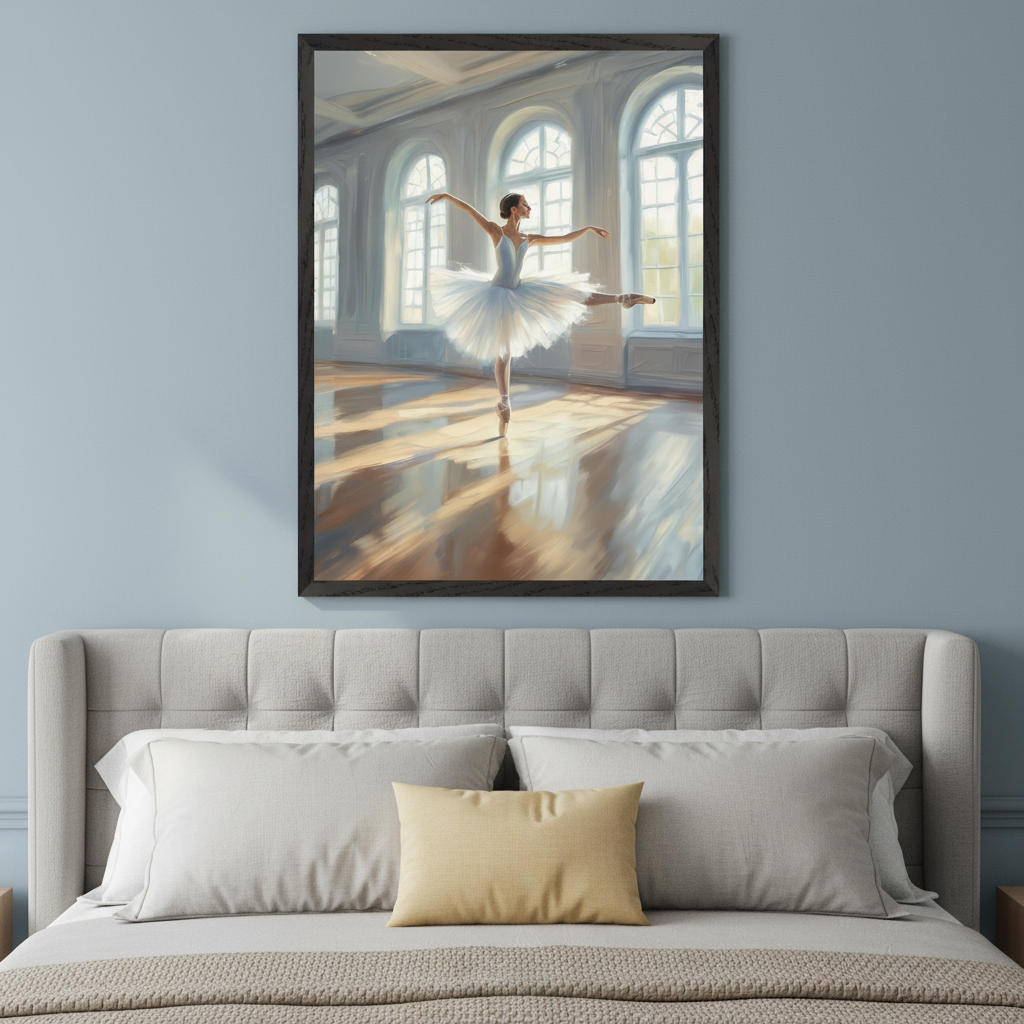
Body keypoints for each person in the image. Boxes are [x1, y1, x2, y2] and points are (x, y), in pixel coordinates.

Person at [425, 191, 654, 436]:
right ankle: (504, 401)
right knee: (505, 353)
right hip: (497, 295)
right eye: (525, 204)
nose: (529, 208)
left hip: (519, 291)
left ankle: (622, 298)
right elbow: (471, 210)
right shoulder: (496, 231)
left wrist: (588, 229)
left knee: (569, 293)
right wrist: (447, 196)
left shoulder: (529, 238)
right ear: (514, 209)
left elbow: (563, 238)